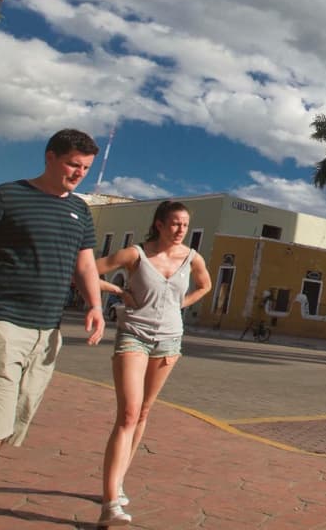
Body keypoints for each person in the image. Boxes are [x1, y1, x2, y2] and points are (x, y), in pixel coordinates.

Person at [0, 129, 105, 530]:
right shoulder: (7, 196)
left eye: (85, 168)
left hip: (45, 334)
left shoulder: (80, 211)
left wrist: (95, 305)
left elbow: (84, 265)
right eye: (72, 164)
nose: (78, 174)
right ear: (49, 157)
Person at [94, 201, 211, 526]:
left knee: (144, 411)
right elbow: (90, 269)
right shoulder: (135, 254)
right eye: (174, 224)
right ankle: (110, 502)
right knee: (129, 413)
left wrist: (179, 305)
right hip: (134, 335)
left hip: (170, 340)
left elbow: (205, 285)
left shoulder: (192, 258)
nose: (180, 230)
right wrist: (117, 290)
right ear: (159, 224)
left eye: (185, 225)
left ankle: (117, 481)